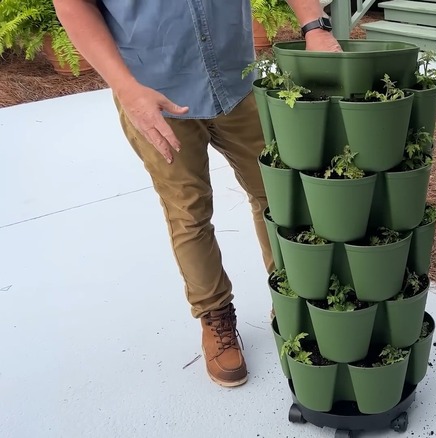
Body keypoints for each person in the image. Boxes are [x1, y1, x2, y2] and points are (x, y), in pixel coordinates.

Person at [53, 0, 342, 388]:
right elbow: (73, 6)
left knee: (280, 197)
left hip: (236, 84)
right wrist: (126, 90)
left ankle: (293, 297)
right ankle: (215, 315)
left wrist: (314, 25)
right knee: (188, 214)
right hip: (152, 97)